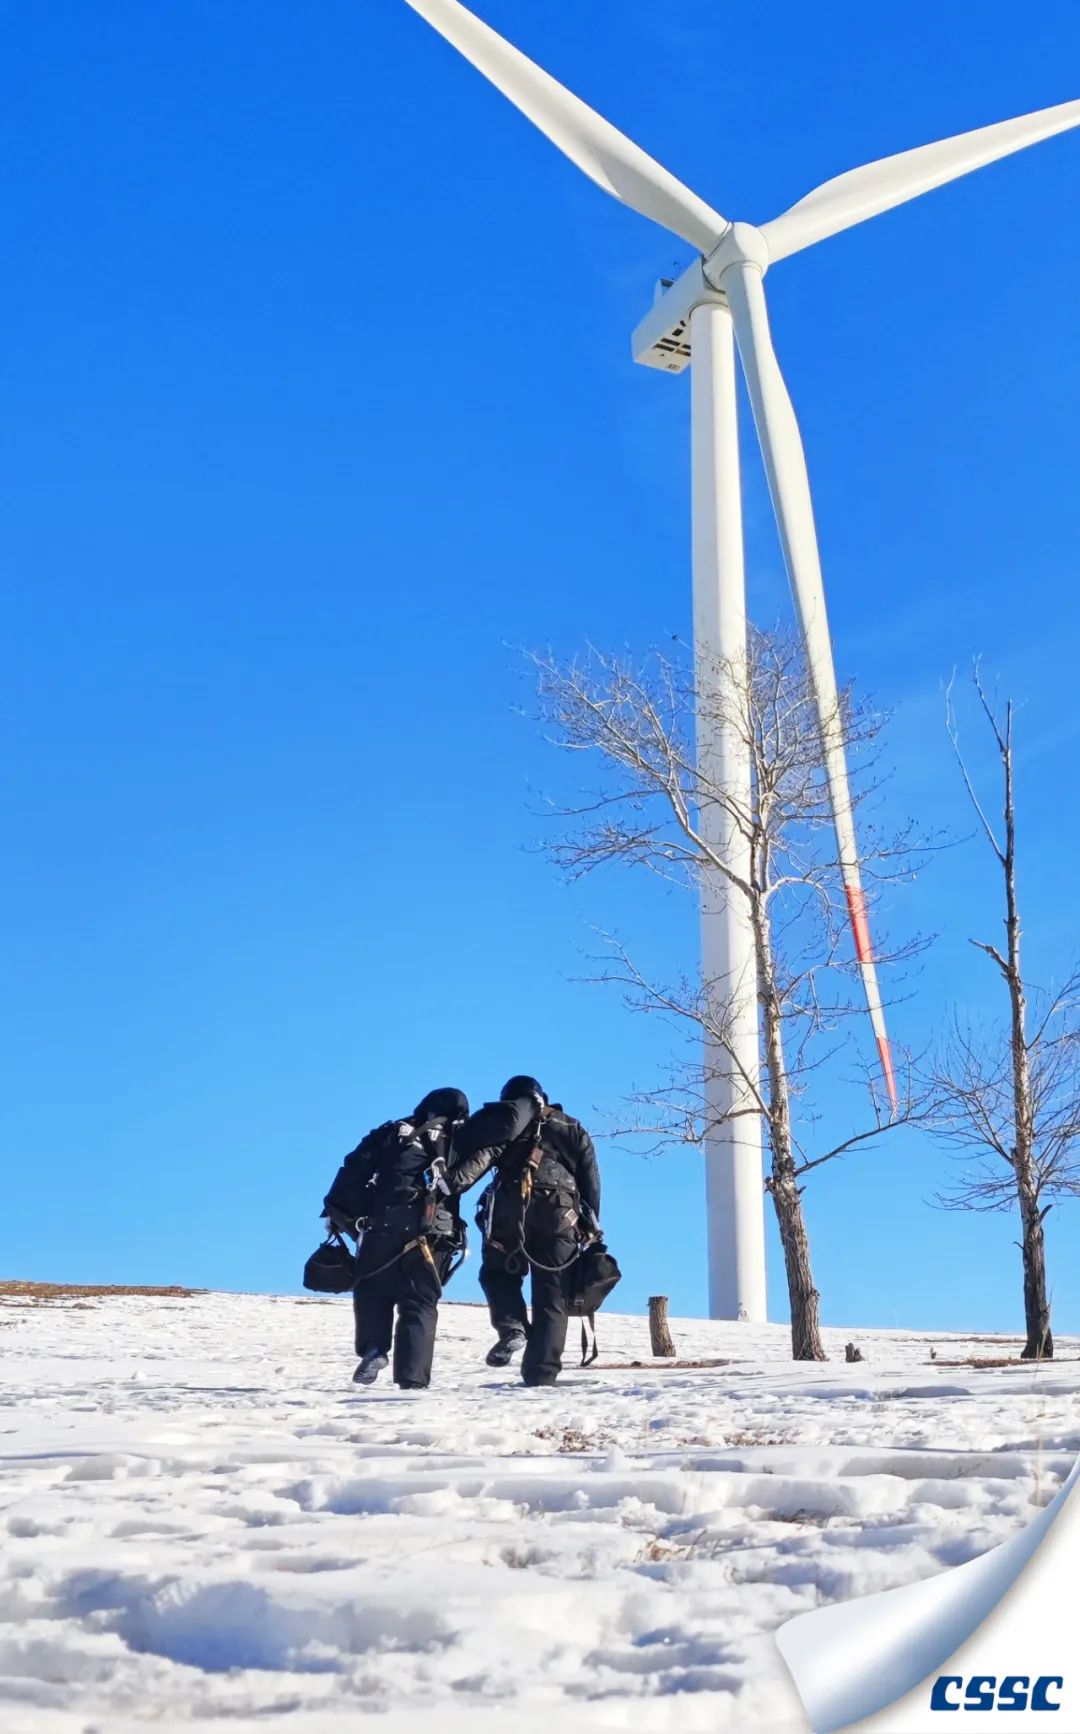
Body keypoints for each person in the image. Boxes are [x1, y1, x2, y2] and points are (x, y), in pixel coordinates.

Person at [449, 1075, 601, 1386]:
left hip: (509, 1209)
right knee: (552, 1296)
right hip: (561, 1214)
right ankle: (540, 1376)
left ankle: (512, 1327)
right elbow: (590, 1179)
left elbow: (479, 1161)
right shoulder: (571, 1126)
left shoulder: (506, 1123)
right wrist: (590, 1224)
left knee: (497, 1273)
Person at [322, 1087, 468, 1389]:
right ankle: (412, 1382)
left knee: (373, 1289)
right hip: (433, 1235)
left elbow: (352, 1172)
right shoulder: (460, 1139)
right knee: (420, 1303)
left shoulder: (390, 1132)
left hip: (381, 1228)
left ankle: (374, 1348)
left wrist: (343, 1218)